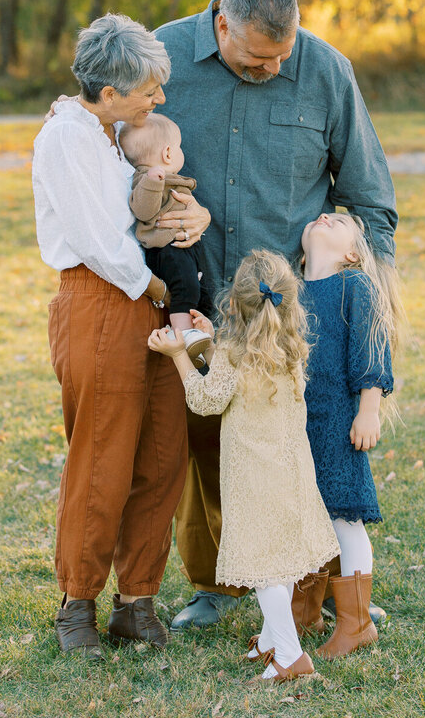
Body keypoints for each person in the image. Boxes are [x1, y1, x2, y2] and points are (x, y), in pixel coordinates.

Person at [153, 0, 399, 630]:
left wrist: (365, 300)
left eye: (284, 53)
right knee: (211, 448)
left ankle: (314, 588)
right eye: (261, 57)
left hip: (293, 319)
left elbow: (372, 200)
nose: (277, 66)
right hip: (197, 301)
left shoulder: (324, 70)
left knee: (302, 452)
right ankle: (214, 585)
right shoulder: (163, 58)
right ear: (223, 26)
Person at [32, 13, 209, 657]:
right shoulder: (66, 139)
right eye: (149, 90)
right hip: (104, 302)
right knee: (102, 456)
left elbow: (147, 208)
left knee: (162, 454)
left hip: (154, 303)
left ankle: (137, 600)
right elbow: (99, 242)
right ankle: (78, 603)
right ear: (110, 92)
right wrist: (164, 292)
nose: (158, 99)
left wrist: (193, 218)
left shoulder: (114, 134)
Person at [147, 250, 340, 684]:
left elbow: (206, 399)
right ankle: (274, 638)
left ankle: (290, 656)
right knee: (281, 559)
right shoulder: (291, 346)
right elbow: (228, 375)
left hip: (255, 478)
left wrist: (179, 353)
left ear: (233, 303)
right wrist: (208, 341)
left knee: (265, 566)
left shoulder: (234, 354)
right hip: (291, 472)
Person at [296, 210, 405, 658]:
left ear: (353, 253)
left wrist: (368, 410)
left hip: (340, 420)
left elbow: (371, 348)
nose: (324, 216)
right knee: (303, 514)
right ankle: (303, 612)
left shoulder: (354, 286)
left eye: (338, 222)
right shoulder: (288, 291)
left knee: (344, 516)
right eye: (320, 217)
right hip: (297, 423)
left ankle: (356, 624)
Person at [119, 113, 212, 362]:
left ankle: (199, 339)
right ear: (169, 153)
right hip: (167, 249)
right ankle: (182, 337)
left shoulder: (167, 179)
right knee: (185, 289)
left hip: (184, 247)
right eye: (179, 148)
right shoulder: (146, 181)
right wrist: (152, 183)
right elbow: (143, 210)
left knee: (202, 290)